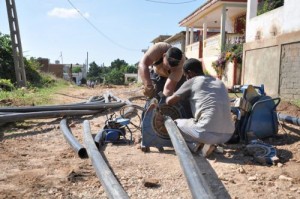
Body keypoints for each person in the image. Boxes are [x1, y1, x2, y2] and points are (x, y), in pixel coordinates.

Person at [166, 58, 235, 157]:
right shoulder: (218, 81)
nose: (186, 79)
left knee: (174, 124)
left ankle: (199, 146)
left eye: (186, 76)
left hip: (206, 133)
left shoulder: (192, 81)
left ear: (190, 73)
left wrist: (167, 96)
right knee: (199, 123)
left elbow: (170, 101)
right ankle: (208, 144)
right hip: (228, 134)